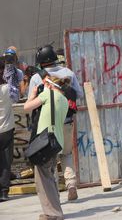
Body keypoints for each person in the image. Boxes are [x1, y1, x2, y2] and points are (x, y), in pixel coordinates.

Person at [28, 45, 83, 201]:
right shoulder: (68, 73)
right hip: (67, 120)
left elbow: (31, 101)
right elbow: (78, 94)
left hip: (47, 124)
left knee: (49, 158)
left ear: (40, 61)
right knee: (66, 153)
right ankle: (71, 184)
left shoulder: (36, 78)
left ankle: (55, 194)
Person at [24, 73, 69, 220]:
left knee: (43, 180)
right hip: (55, 143)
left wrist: (32, 94)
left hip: (44, 143)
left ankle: (54, 213)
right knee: (49, 177)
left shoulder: (47, 94)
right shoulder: (64, 100)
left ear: (49, 84)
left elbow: (26, 107)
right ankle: (54, 211)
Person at [0, 57, 18, 201]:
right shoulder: (7, 89)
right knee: (6, 161)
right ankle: (4, 192)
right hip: (7, 129)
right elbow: (17, 97)